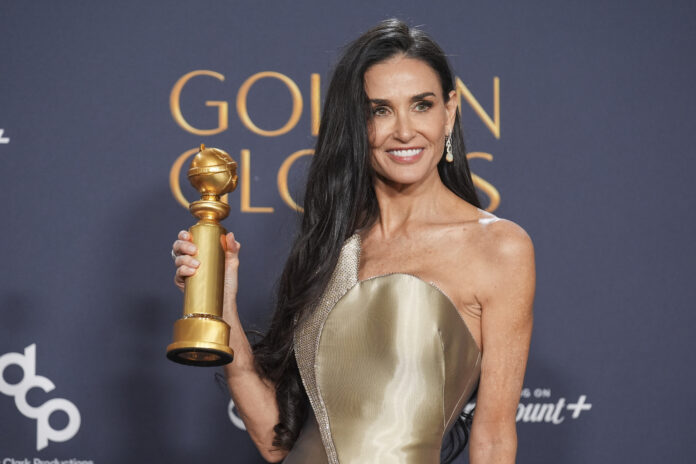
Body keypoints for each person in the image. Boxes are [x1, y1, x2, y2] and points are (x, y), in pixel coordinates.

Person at [171, 19, 534, 464]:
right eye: (379, 110)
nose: (404, 131)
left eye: (421, 105)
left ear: (450, 111)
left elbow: (494, 437)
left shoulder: (499, 248)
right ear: (356, 123)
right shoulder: (332, 245)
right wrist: (221, 305)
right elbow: (276, 444)